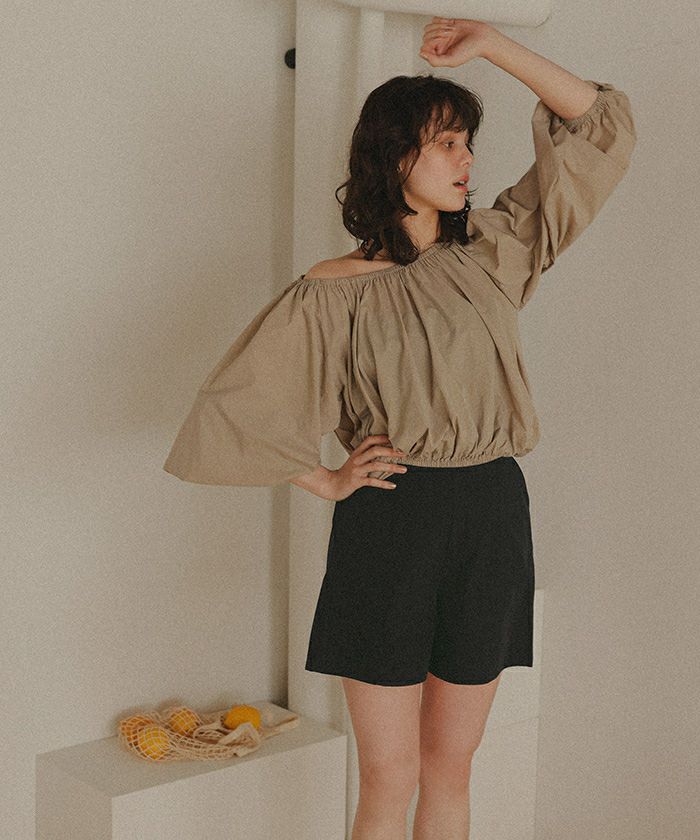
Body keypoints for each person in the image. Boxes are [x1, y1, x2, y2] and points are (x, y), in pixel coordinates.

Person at [163, 17, 637, 840]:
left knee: (452, 767)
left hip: (493, 514)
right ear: (394, 158)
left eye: (468, 144)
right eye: (447, 144)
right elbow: (234, 408)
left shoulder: (494, 250)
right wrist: (324, 478)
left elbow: (598, 125)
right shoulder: (333, 288)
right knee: (390, 775)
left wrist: (491, 44)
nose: (467, 161)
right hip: (391, 519)